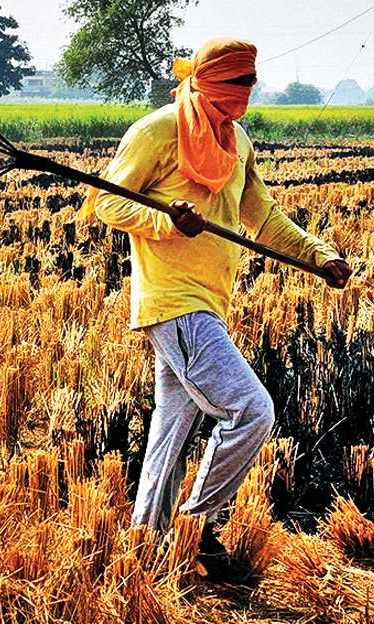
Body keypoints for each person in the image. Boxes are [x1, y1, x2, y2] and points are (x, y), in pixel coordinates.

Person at [90, 37, 351, 584]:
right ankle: (195, 526)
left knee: (172, 422)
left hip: (210, 299)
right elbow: (107, 201)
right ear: (210, 81)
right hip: (173, 302)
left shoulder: (235, 140)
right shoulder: (158, 130)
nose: (247, 92)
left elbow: (261, 214)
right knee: (252, 411)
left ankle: (146, 539)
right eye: (238, 82)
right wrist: (166, 219)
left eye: (252, 81)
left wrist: (320, 256)